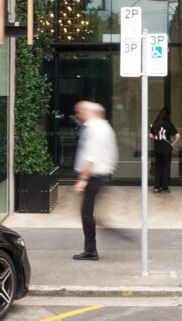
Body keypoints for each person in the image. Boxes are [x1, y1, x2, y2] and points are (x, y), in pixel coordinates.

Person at [72, 100, 117, 261]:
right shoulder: (103, 127)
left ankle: (91, 250)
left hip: (93, 176)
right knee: (88, 213)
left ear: (90, 112)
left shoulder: (95, 128)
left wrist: (83, 179)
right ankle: (91, 248)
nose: (78, 115)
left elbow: (91, 156)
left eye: (80, 112)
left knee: (87, 214)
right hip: (97, 176)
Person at [149, 107, 180, 193]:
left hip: (158, 148)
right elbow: (178, 136)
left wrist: (157, 137)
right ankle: (164, 187)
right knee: (166, 168)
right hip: (166, 149)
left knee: (158, 168)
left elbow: (150, 136)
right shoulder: (169, 124)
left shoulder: (155, 123)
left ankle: (156, 187)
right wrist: (173, 144)